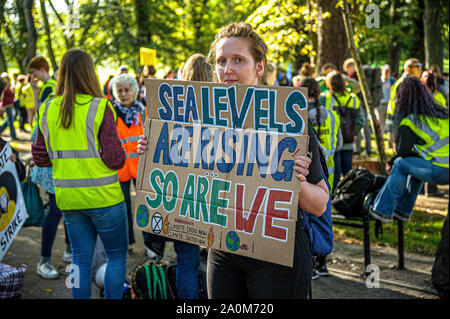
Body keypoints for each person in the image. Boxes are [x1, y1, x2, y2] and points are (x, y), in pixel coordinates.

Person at [138, 22, 329, 299]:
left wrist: (291, 180)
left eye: (238, 60)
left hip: (277, 252)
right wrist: (154, 153)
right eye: (221, 61)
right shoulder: (199, 121)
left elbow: (320, 203)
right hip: (222, 251)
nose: (227, 69)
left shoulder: (287, 120)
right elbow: (174, 189)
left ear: (259, 67)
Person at [32, 49, 128, 299]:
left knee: (80, 259)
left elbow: (40, 158)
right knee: (117, 256)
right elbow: (115, 159)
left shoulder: (47, 109)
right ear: (90, 73)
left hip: (69, 200)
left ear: (61, 74)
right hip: (105, 198)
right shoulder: (101, 107)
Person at [370, 76, 449, 223]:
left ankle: (382, 210)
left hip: (440, 170)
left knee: (401, 163)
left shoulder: (411, 121)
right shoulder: (443, 114)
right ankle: (403, 211)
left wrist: (392, 160)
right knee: (414, 164)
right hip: (443, 168)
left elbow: (403, 152)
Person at [301, 77, 341, 279]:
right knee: (323, 220)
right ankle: (322, 264)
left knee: (310, 219)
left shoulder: (297, 115)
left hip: (311, 176)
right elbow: (339, 143)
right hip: (329, 173)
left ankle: (312, 265)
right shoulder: (332, 116)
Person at [112, 73, 146, 251]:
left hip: (141, 168)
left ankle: (150, 246)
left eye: (127, 90)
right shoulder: (111, 114)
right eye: (120, 91)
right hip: (120, 169)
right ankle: (128, 243)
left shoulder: (143, 112)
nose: (124, 94)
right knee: (123, 209)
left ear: (134, 91)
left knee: (145, 207)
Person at [321, 71, 361, 191]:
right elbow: (361, 121)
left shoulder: (326, 98)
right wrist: (353, 132)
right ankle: (347, 196)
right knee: (348, 173)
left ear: (329, 84)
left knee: (335, 173)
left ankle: (334, 196)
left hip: (334, 141)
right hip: (349, 140)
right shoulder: (354, 99)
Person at [378, 65, 395, 133]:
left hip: (390, 105)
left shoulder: (392, 81)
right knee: (381, 124)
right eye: (385, 72)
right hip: (380, 104)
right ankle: (381, 139)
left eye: (388, 72)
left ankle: (390, 141)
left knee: (390, 124)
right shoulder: (378, 80)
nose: (387, 73)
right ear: (382, 72)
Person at [0, 73, 17, 140]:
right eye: (5, 78)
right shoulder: (3, 87)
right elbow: (2, 98)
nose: (7, 79)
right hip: (6, 106)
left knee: (9, 120)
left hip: (10, 105)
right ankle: (13, 135)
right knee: (10, 120)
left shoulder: (8, 86)